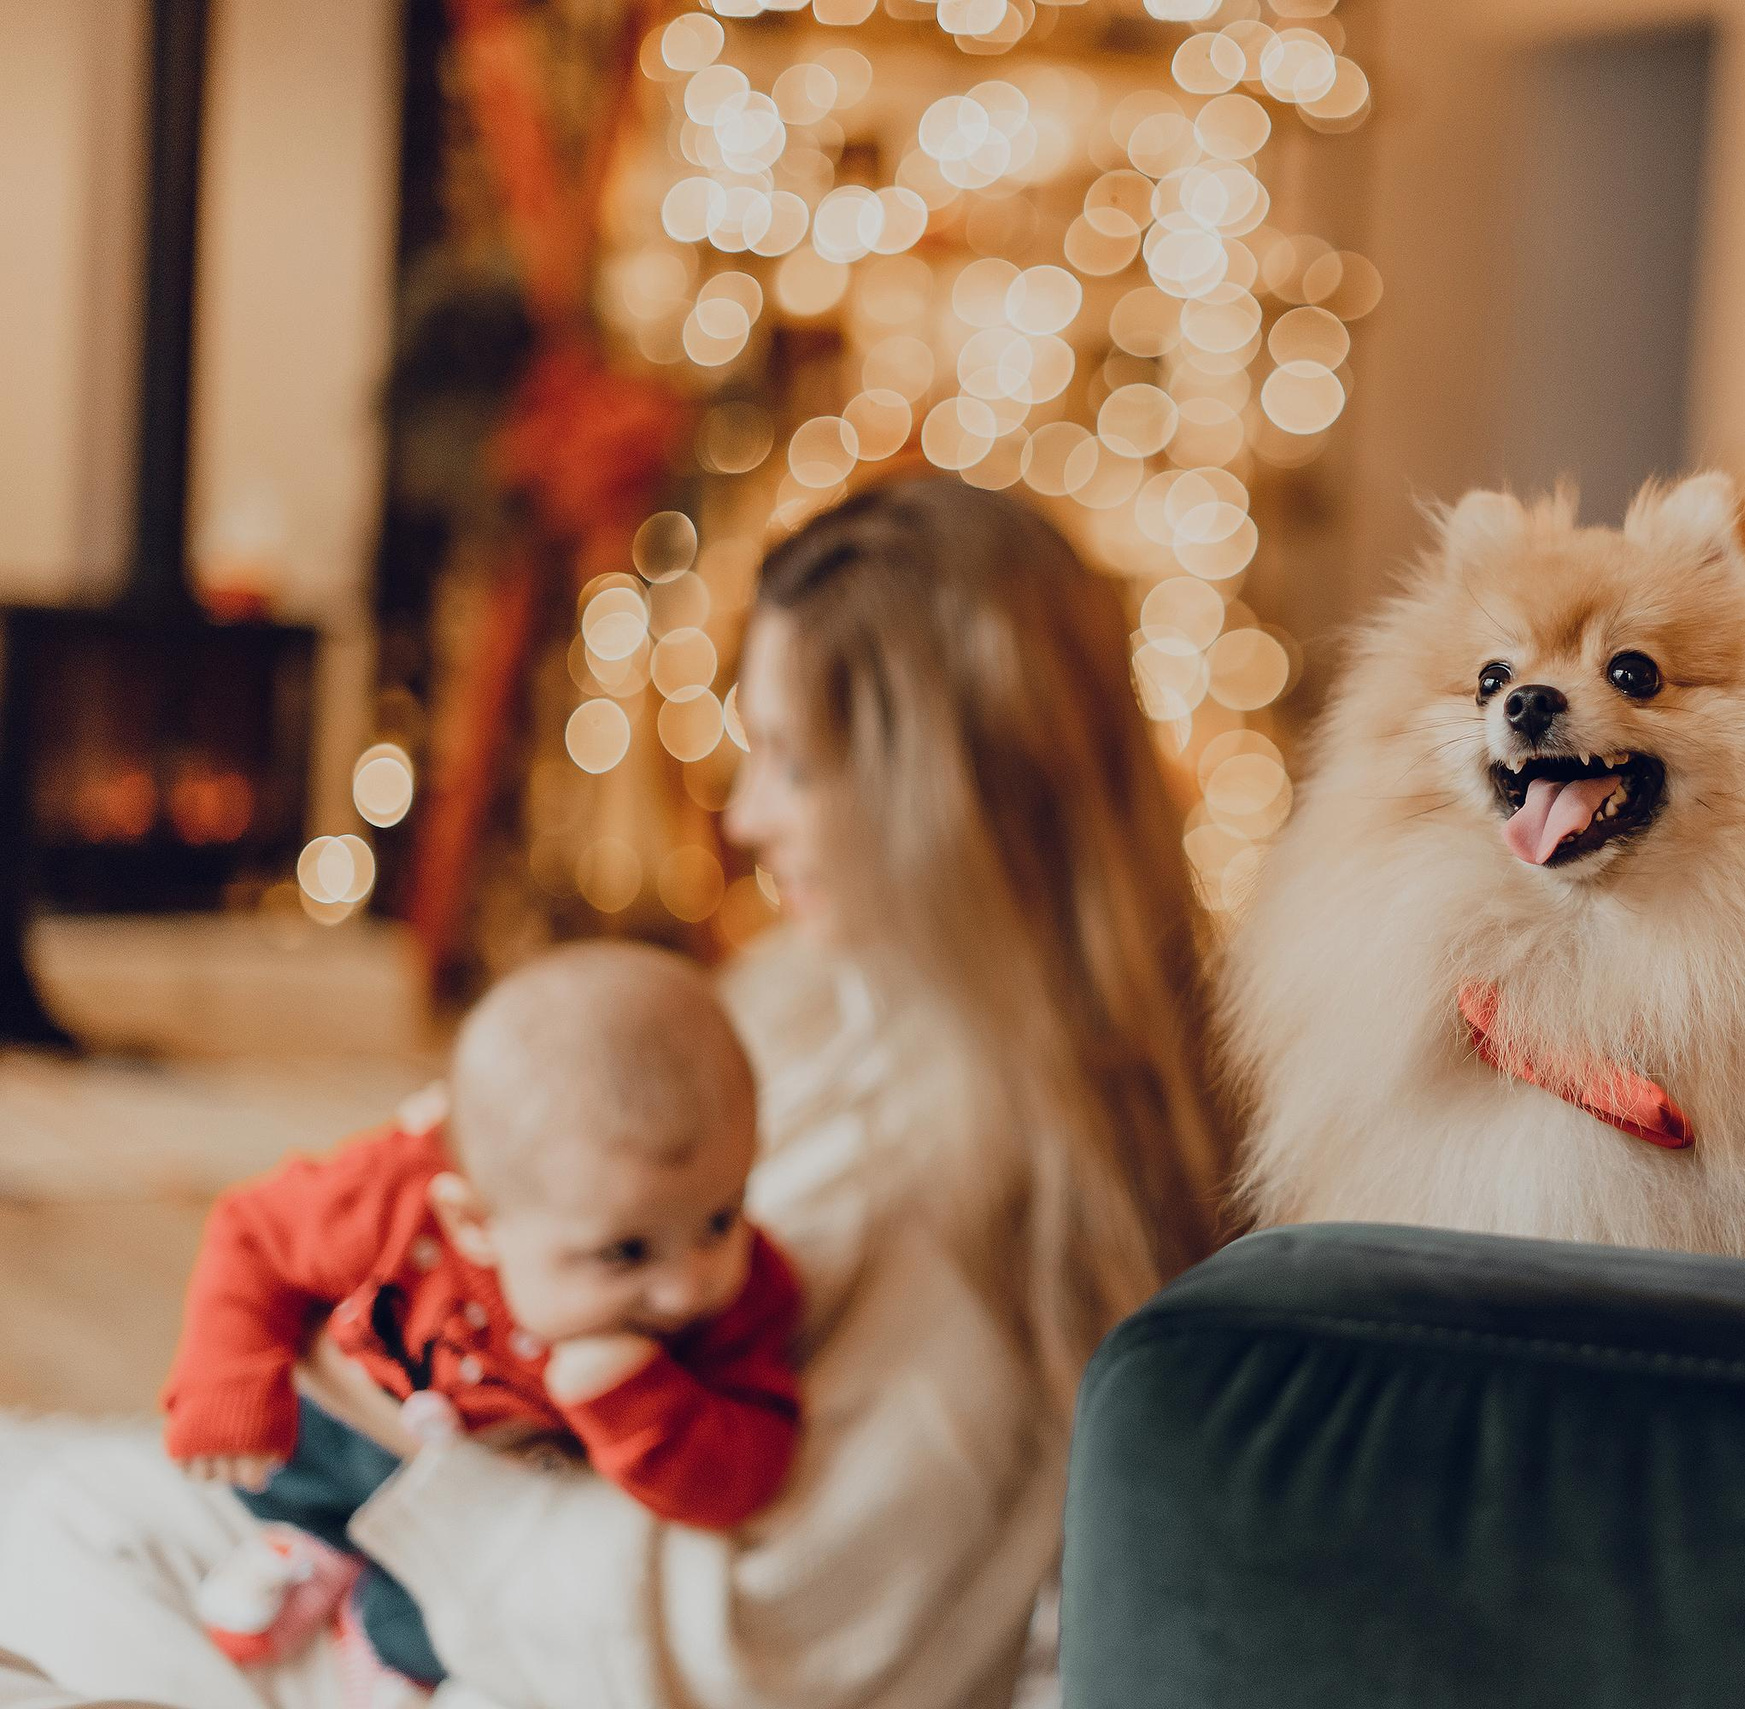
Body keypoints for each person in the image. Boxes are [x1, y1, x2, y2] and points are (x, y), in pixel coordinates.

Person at [0, 475, 1233, 1708]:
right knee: (50, 1504)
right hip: (449, 1545)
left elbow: (749, 1642)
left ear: (940, 794)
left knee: (56, 1536)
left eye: (794, 767)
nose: (746, 818)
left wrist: (397, 1440)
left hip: (495, 1617)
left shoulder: (973, 1177)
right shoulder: (841, 1029)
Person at [164, 944, 799, 1695]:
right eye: (625, 1252)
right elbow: (252, 1229)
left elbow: (750, 1467)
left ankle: (374, 1621)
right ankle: (312, 1537)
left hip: (489, 1502)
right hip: (352, 1431)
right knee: (278, 1456)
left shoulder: (746, 1290)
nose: (687, 1286)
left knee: (459, 1620)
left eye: (722, 1217)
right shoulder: (392, 1199)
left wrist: (643, 1404)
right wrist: (229, 1378)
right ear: (473, 1223)